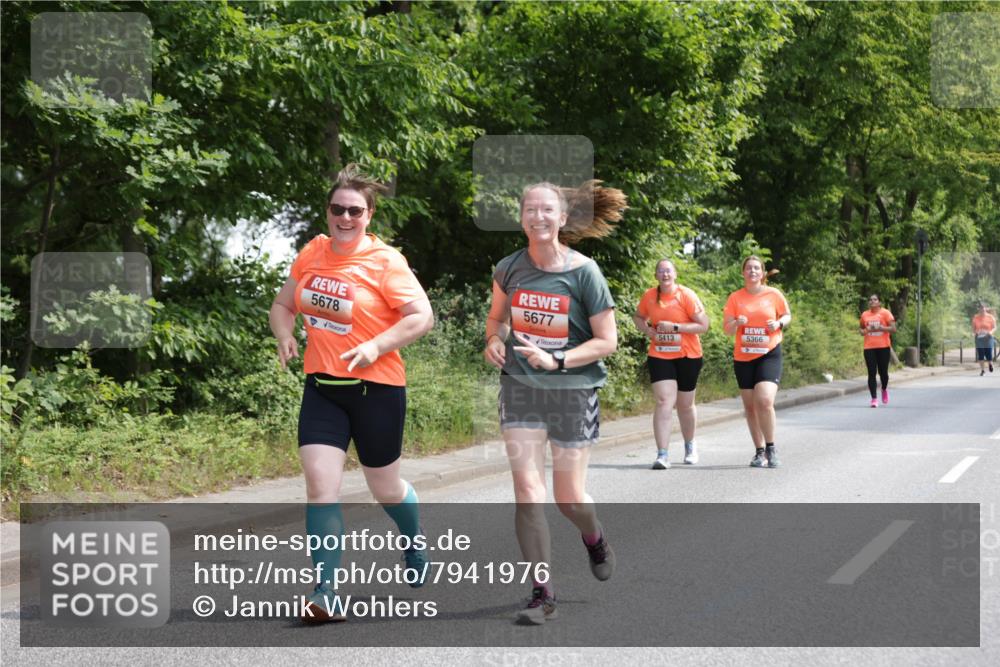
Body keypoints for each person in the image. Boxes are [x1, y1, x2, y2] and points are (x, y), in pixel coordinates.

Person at [269, 164, 435, 623]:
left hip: (377, 390)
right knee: (321, 488)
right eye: (338, 209)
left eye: (355, 211)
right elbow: (283, 304)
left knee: (385, 489)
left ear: (369, 214)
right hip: (322, 387)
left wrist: (377, 344)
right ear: (327, 211)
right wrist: (284, 333)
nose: (345, 217)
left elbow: (422, 316)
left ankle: (412, 538)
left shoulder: (385, 261)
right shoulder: (313, 252)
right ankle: (326, 591)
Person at [483, 180, 625, 625]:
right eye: (530, 209)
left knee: (569, 499)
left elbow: (608, 341)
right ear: (521, 216)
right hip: (521, 386)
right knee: (527, 492)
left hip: (573, 390)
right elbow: (497, 317)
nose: (538, 217)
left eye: (548, 210)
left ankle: (593, 535)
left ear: (563, 219)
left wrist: (558, 359)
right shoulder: (508, 268)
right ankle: (541, 592)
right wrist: (493, 339)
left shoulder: (585, 272)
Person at [632, 259, 710, 469]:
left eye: (668, 271)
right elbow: (638, 317)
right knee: (664, 401)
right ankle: (662, 454)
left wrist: (675, 327)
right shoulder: (650, 296)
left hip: (688, 355)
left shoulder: (686, 295)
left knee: (684, 405)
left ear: (675, 274)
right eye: (660, 271)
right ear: (656, 275)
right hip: (660, 354)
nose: (665, 274)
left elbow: (704, 326)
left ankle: (690, 444)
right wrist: (647, 330)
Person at [723, 256, 791, 469]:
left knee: (764, 401)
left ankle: (771, 447)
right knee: (750, 407)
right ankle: (759, 451)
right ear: (743, 273)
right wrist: (736, 322)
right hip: (743, 357)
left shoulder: (773, 294)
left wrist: (778, 323)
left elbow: (787, 315)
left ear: (762, 274)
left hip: (769, 353)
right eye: (748, 268)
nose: (752, 271)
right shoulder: (735, 298)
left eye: (756, 268)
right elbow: (727, 328)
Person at [858, 294, 897, 407]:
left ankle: (884, 389)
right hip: (869, 347)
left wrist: (881, 328)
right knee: (871, 373)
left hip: (883, 347)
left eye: (875, 299)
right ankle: (874, 399)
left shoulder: (885, 313)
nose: (872, 301)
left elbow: (894, 329)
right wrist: (866, 330)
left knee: (883, 373)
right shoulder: (865, 314)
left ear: (879, 302)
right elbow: (861, 330)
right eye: (870, 300)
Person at [973, 302, 996, 376]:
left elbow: (995, 327)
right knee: (981, 354)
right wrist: (975, 333)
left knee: (988, 353)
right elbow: (973, 328)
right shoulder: (976, 317)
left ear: (986, 308)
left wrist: (990, 332)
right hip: (979, 338)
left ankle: (990, 364)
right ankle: (982, 370)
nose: (982, 309)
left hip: (988, 337)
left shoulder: (990, 317)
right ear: (979, 309)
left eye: (983, 308)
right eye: (981, 308)